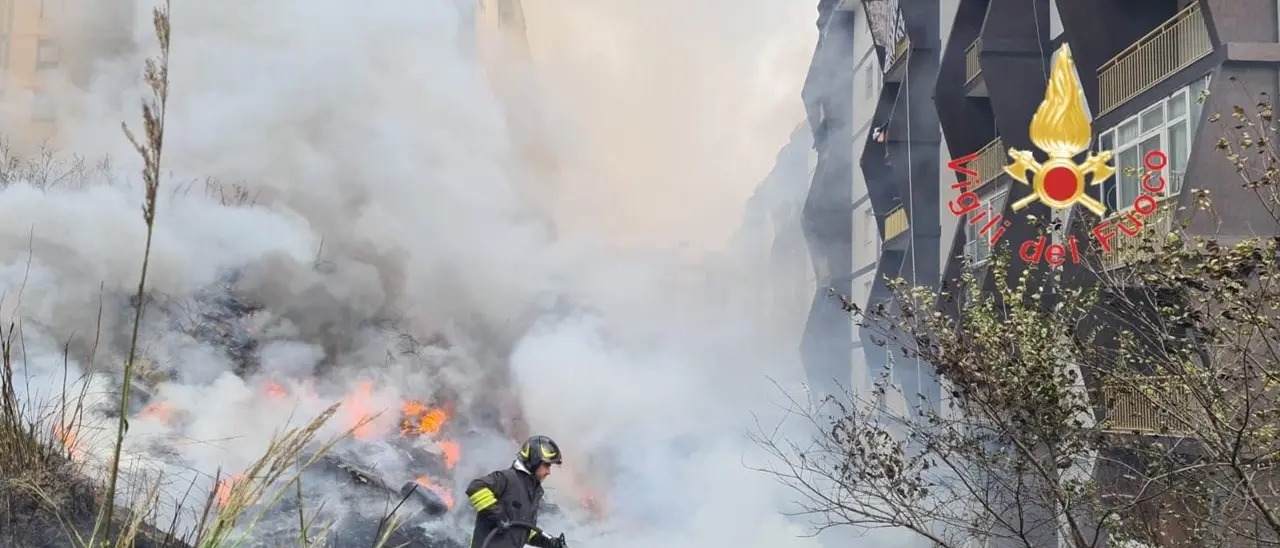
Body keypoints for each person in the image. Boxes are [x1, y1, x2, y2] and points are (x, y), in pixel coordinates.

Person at [465, 435, 568, 548]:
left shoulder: (533, 492)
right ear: (534, 460)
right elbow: (475, 487)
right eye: (546, 465)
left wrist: (548, 542)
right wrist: (497, 514)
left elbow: (524, 529)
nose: (549, 472)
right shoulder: (508, 478)